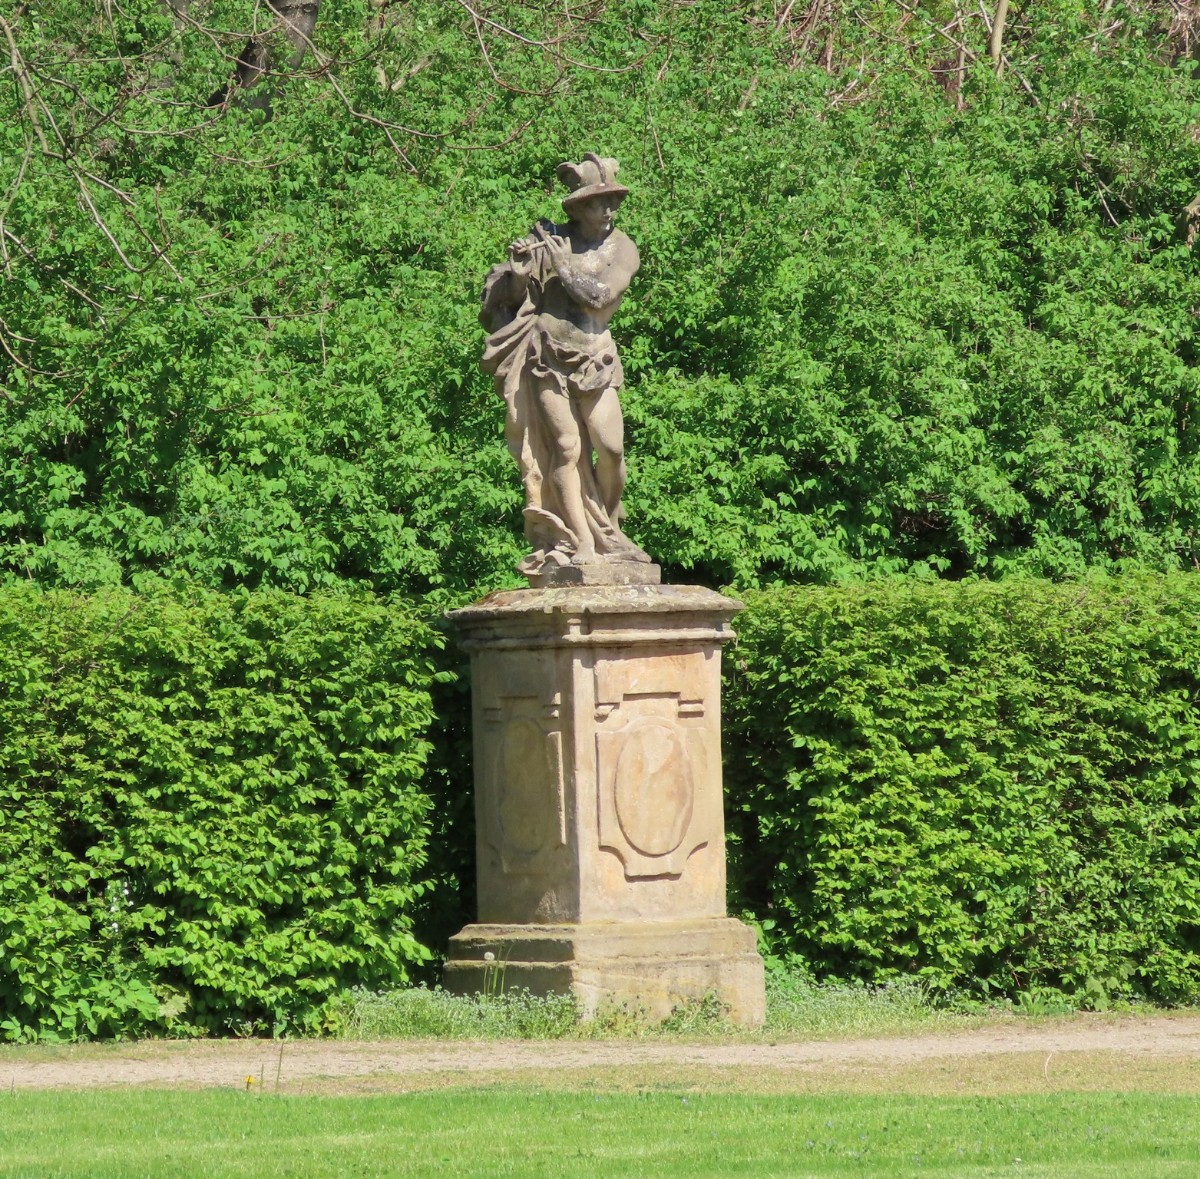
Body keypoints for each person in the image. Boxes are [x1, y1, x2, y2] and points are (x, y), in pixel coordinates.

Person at [480, 154, 651, 577]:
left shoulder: (622, 248)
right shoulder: (550, 240)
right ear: (577, 207)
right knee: (567, 448)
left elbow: (599, 298)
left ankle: (608, 528)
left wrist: (562, 266)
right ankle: (582, 540)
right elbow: (514, 302)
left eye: (613, 201)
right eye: (598, 203)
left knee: (611, 448)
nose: (608, 210)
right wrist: (521, 274)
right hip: (547, 358)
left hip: (597, 358)